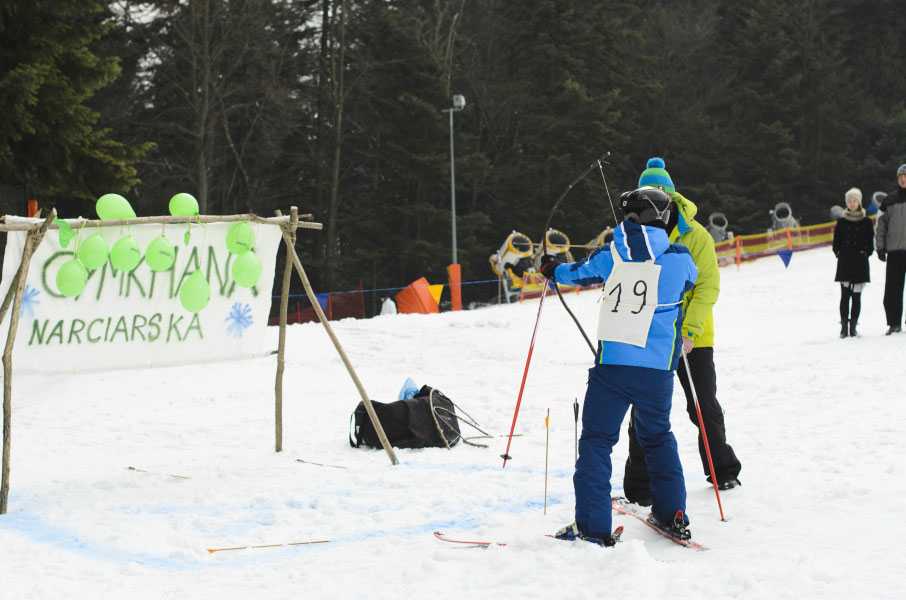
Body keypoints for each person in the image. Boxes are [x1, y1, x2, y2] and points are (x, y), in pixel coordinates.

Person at [540, 187, 699, 546]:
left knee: (596, 443)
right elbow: (691, 278)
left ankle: (593, 527)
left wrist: (550, 268)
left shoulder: (613, 253)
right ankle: (673, 513)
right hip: (658, 372)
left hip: (613, 369)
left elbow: (575, 273)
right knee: (658, 438)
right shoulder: (678, 258)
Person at [623, 157, 742, 506]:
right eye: (649, 194)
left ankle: (722, 470)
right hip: (651, 336)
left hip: (694, 339)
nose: (656, 201)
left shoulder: (698, 236)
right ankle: (639, 486)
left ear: (672, 197)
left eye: (661, 193)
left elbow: (707, 288)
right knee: (644, 412)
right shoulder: (637, 235)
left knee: (702, 405)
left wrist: (689, 331)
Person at [832, 188, 874, 338]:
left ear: (859, 202)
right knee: (845, 295)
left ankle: (853, 327)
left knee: (856, 296)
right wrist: (839, 253)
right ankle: (843, 327)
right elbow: (836, 242)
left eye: (854, 201)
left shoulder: (866, 222)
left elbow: (870, 242)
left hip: (860, 263)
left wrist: (865, 254)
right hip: (845, 262)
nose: (852, 203)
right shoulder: (841, 222)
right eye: (849, 201)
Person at [876, 164, 906, 335]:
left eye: (905, 176)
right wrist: (880, 247)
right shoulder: (889, 200)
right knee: (893, 289)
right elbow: (880, 226)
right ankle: (894, 322)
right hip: (894, 251)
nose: (903, 179)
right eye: (900, 176)